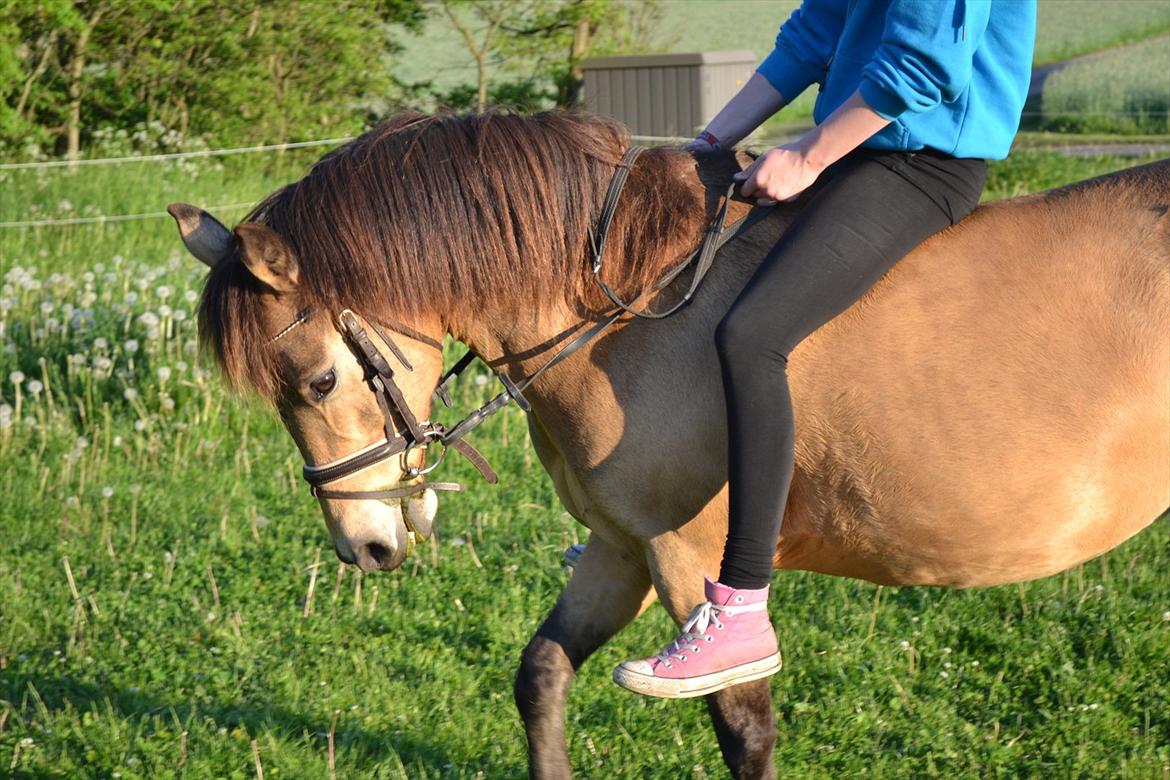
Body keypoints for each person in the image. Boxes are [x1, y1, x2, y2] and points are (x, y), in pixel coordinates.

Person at [613, 0, 1036, 698]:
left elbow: (926, 64)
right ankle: (659, 519)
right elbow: (814, 34)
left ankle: (743, 609)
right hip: (860, 149)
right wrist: (709, 144)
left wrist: (809, 156)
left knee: (750, 339)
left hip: (920, 163)